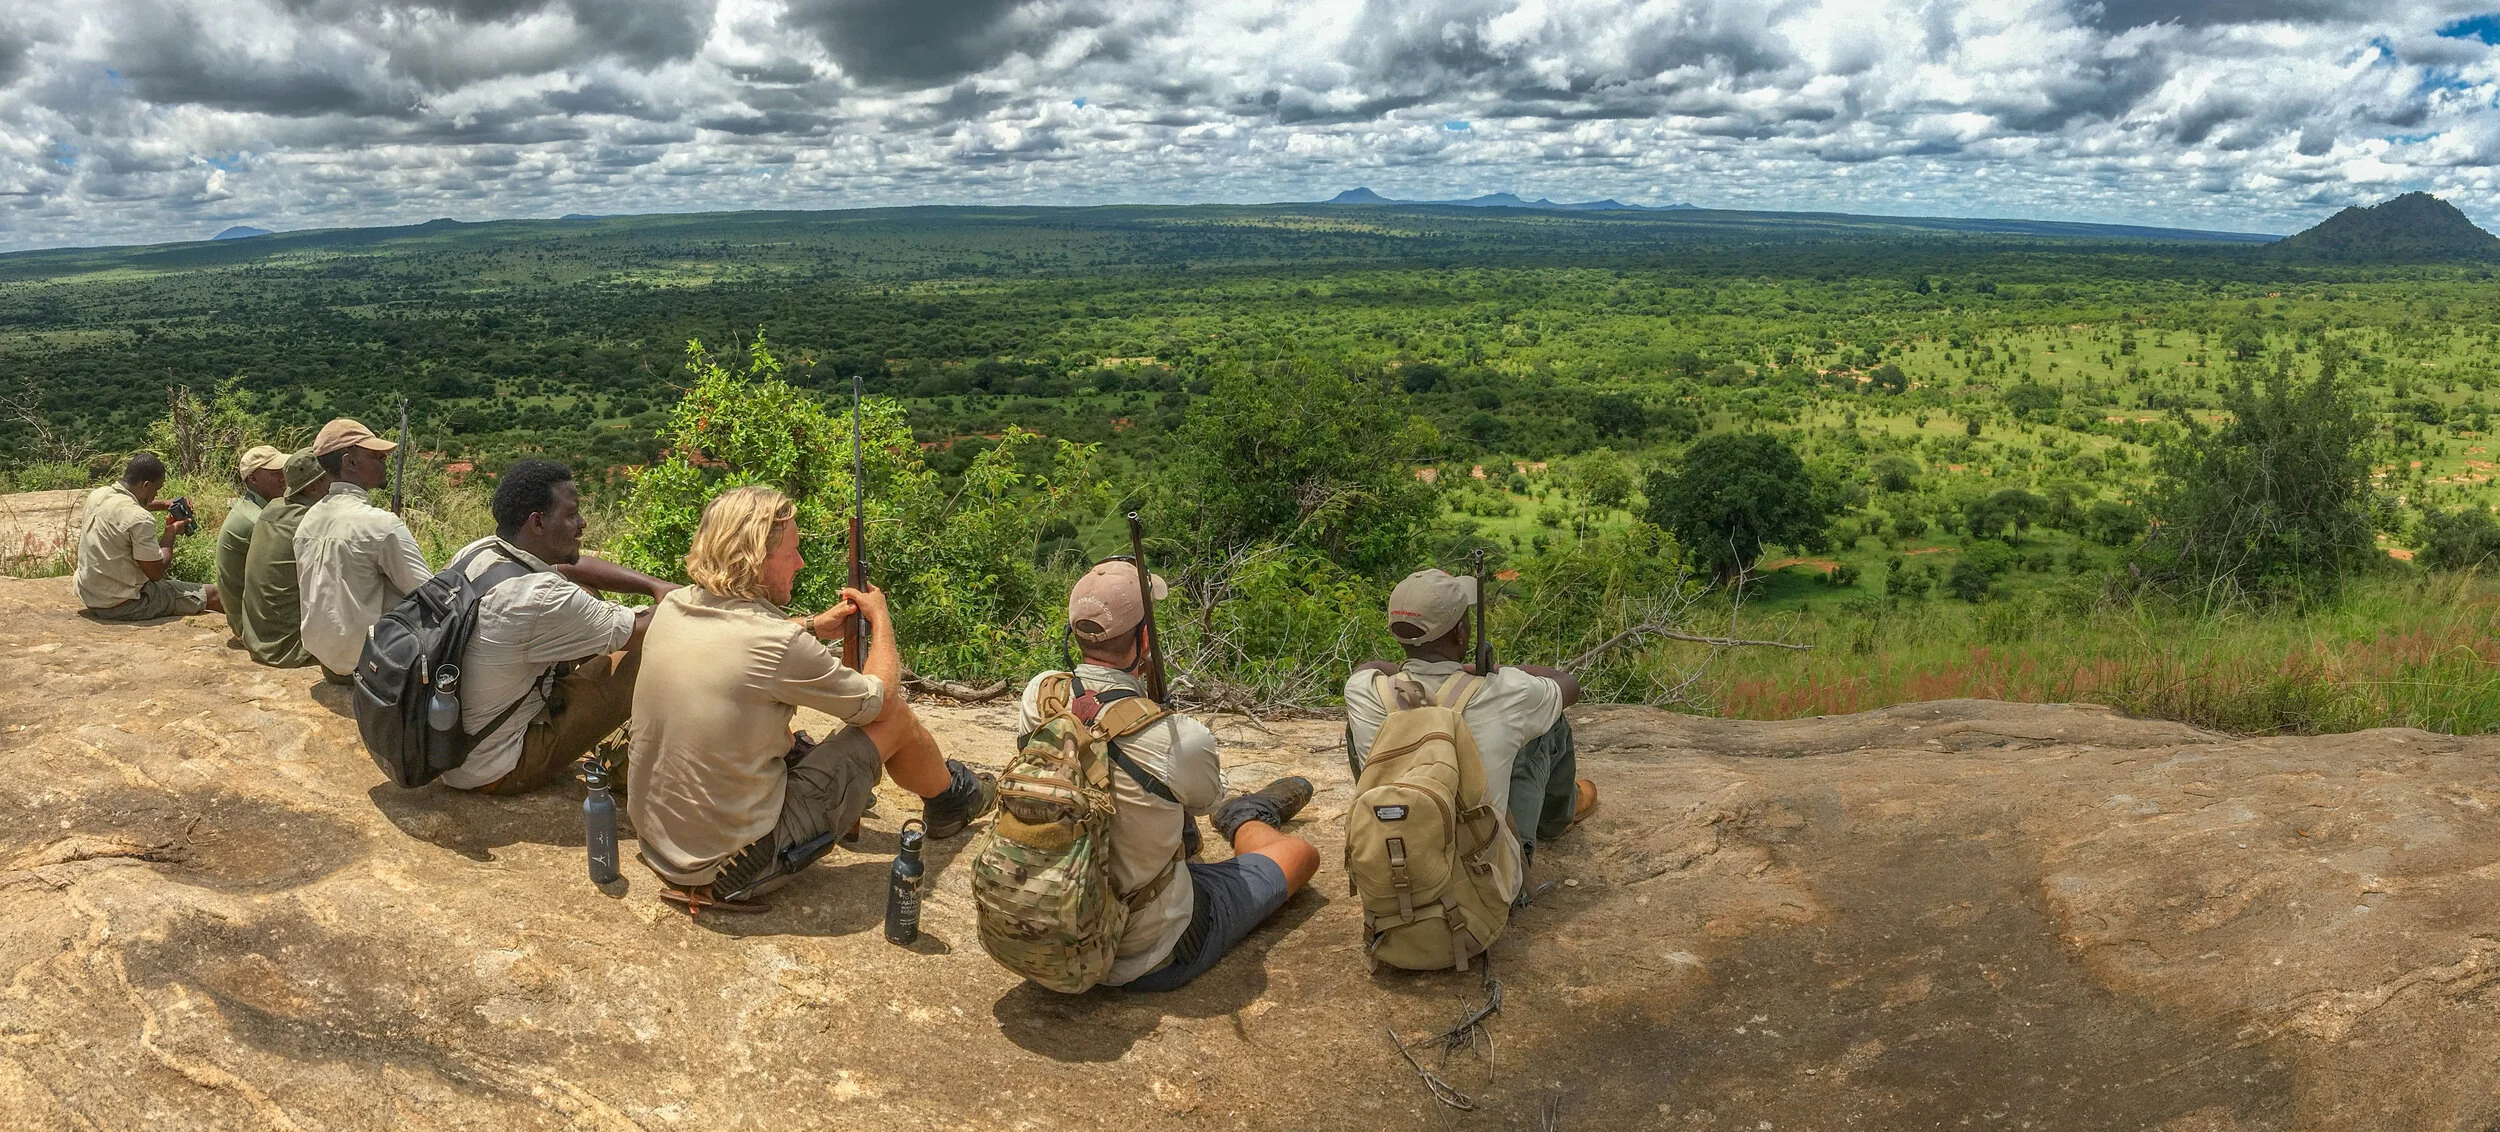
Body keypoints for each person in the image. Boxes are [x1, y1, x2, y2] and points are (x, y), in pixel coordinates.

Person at [627, 485, 998, 915]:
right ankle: (952, 800)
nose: (800, 563)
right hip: (735, 869)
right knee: (894, 718)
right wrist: (880, 620)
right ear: (756, 556)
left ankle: (949, 795)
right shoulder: (777, 643)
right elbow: (879, 699)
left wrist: (811, 626)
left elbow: (742, 646)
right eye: (793, 550)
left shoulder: (673, 607)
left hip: (659, 843)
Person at [1014, 560, 1319, 991]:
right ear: (1144, 638)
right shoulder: (1180, 739)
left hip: (1047, 922)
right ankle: (1249, 815)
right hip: (1148, 952)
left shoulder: (1039, 694)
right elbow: (1205, 798)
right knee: (1301, 855)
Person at [434, 459, 681, 795]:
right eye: (571, 514)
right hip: (497, 767)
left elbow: (572, 567)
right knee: (641, 658)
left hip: (453, 745)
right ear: (537, 522)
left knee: (586, 594)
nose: (582, 523)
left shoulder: (479, 552)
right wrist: (695, 598)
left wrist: (654, 586)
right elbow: (646, 629)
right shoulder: (540, 596)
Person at [1344, 568, 1597, 883]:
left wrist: (1422, 674)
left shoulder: (1363, 690)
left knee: (1357, 728)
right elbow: (1568, 685)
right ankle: (1558, 816)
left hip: (1396, 879)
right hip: (1488, 886)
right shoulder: (1507, 691)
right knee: (1546, 723)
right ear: (1460, 634)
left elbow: (1367, 667)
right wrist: (1498, 672)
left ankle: (1388, 824)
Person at [295, 418, 430, 682]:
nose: (384, 462)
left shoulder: (308, 520)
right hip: (371, 668)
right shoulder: (381, 524)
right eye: (377, 456)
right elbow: (427, 593)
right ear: (350, 463)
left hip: (327, 663)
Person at [74, 452, 223, 621]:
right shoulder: (140, 518)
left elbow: (131, 504)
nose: (155, 496)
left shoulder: (98, 495)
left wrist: (167, 504)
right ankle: (251, 633)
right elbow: (156, 572)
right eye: (156, 490)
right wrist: (171, 532)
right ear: (146, 485)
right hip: (125, 604)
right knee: (213, 594)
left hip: (92, 597)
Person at [238, 450, 328, 669]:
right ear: (313, 486)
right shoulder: (310, 524)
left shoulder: (273, 508)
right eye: (332, 478)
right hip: (288, 650)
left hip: (257, 639)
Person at [218, 445, 291, 645]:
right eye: (275, 473)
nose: (283, 478)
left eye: (283, 471)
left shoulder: (254, 509)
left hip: (247, 618)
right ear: (253, 479)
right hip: (254, 628)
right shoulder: (257, 521)